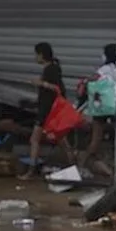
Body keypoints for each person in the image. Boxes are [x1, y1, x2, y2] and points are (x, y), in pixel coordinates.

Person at [20, 42, 74, 180]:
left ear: (42, 55)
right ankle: (73, 168)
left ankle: (31, 172)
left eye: (36, 54)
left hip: (48, 111)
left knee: (35, 140)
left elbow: (57, 89)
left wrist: (41, 83)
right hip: (48, 110)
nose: (35, 57)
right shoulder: (51, 68)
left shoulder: (51, 69)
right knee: (61, 140)